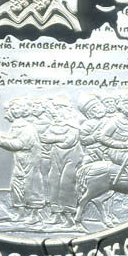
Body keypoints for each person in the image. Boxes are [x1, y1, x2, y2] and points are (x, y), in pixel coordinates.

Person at [0, 98, 44, 225]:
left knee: (31, 186)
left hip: (30, 162)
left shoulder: (28, 127)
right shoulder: (16, 125)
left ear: (24, 110)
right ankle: (21, 213)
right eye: (13, 108)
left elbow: (20, 144)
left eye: (18, 108)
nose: (15, 110)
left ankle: (35, 215)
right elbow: (11, 137)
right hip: (20, 160)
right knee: (17, 184)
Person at [40, 96, 84, 226]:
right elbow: (44, 138)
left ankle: (69, 217)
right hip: (56, 157)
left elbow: (69, 141)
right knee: (54, 182)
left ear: (67, 110)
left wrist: (53, 138)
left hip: (72, 158)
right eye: (54, 110)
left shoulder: (73, 125)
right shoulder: (53, 125)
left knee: (67, 185)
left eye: (58, 109)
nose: (55, 112)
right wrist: (56, 139)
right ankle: (56, 214)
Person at [77, 92, 110, 163]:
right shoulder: (87, 125)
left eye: (98, 105)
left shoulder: (110, 120)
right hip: (94, 151)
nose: (98, 109)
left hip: (109, 148)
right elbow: (82, 140)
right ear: (89, 114)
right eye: (93, 108)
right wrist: (93, 138)